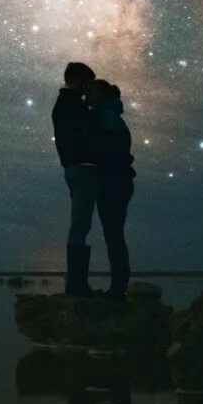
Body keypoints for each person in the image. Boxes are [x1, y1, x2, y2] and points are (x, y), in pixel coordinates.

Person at [51, 61, 99, 296]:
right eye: (87, 81)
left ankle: (78, 283)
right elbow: (89, 134)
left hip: (74, 167)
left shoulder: (65, 104)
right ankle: (78, 285)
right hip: (82, 167)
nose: (89, 87)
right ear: (78, 80)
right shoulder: (72, 105)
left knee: (80, 223)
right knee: (80, 223)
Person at [86, 79, 135, 302]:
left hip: (113, 181)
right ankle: (119, 288)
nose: (87, 98)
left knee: (113, 234)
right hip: (119, 181)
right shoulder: (112, 117)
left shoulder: (104, 117)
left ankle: (119, 290)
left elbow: (109, 151)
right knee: (114, 234)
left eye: (91, 94)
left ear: (101, 96)